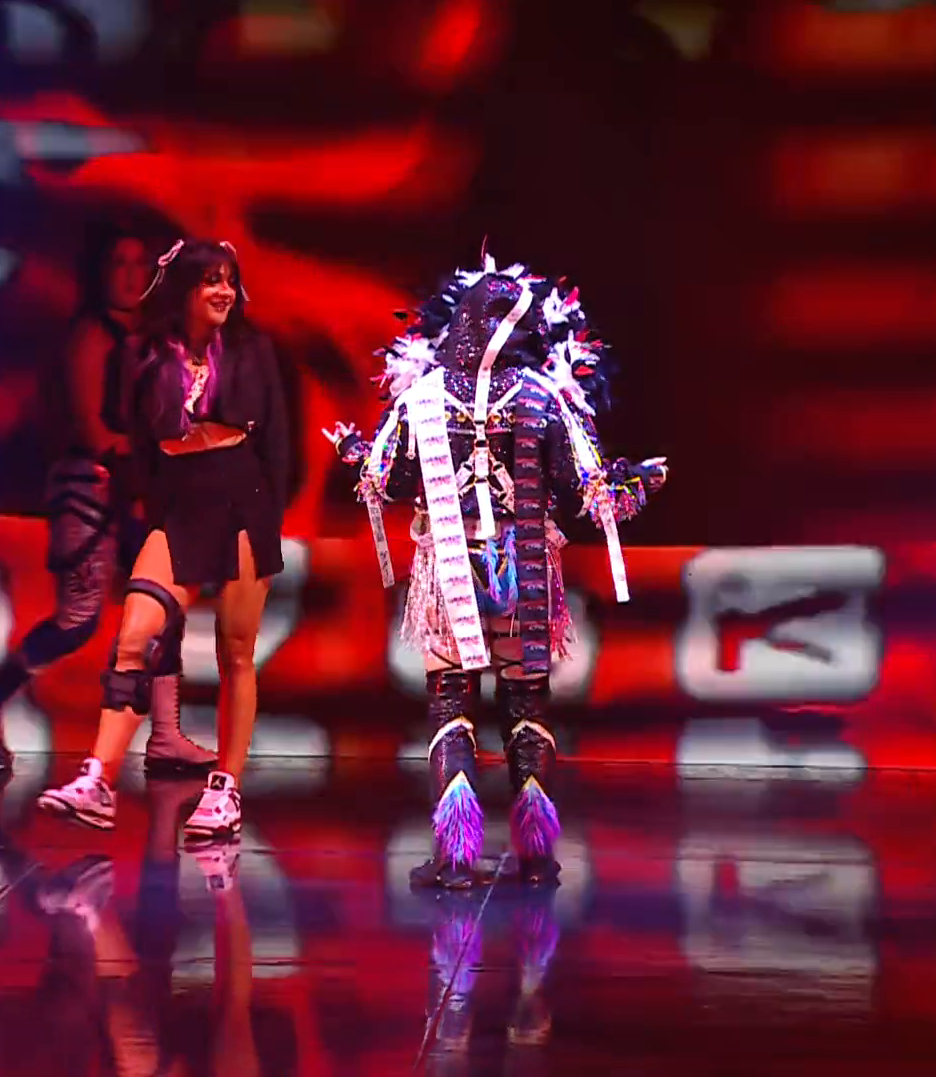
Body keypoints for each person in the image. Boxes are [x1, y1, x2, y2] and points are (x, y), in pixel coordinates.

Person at [325, 250, 666, 888]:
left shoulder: (421, 398)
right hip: (526, 568)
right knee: (525, 700)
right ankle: (535, 851)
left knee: (451, 700)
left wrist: (352, 449)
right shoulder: (543, 397)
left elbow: (383, 478)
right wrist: (637, 480)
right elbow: (591, 490)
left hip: (451, 567)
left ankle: (456, 855)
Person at [37, 239, 291, 843]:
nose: (224, 291)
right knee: (134, 636)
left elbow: (272, 441)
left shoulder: (253, 349)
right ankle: (98, 780)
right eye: (210, 281)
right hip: (179, 507)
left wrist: (266, 517)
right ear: (183, 289)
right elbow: (142, 442)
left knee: (235, 652)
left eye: (229, 280)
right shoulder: (146, 355)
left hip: (242, 502)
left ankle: (225, 789)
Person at [0, 227, 218, 778]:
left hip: (134, 491)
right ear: (100, 271)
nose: (130, 275)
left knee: (166, 607)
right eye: (119, 262)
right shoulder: (91, 337)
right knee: (78, 621)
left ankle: (166, 735)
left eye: (139, 263)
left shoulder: (149, 339)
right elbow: (96, 434)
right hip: (91, 489)